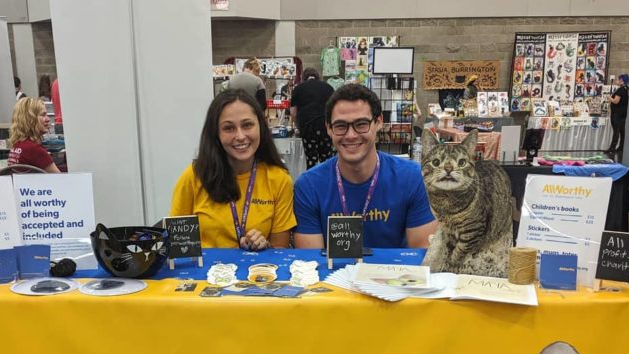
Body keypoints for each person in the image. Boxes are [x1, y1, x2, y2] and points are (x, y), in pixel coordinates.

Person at [294, 84, 437, 249]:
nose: (351, 135)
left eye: (361, 124)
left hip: (395, 274)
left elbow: (421, 255)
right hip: (331, 274)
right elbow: (311, 264)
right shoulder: (308, 186)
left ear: (379, 122)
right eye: (341, 126)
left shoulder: (411, 178)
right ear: (328, 129)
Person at [170, 89, 296, 250]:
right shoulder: (193, 177)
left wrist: (265, 246)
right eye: (229, 128)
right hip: (202, 275)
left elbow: (281, 252)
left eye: (247, 125)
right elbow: (177, 247)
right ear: (216, 133)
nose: (240, 136)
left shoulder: (279, 179)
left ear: (261, 126)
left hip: (256, 273)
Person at [290, 68, 334, 169]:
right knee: (326, 159)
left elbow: (293, 112)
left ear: (304, 78)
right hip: (325, 127)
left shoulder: (298, 88)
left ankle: (312, 182)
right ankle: (328, 181)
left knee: (311, 160)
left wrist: (298, 126)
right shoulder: (328, 87)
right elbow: (334, 110)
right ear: (318, 77)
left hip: (307, 127)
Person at [7, 98, 60, 172]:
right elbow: (60, 179)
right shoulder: (35, 149)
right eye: (43, 115)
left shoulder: (17, 145)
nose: (48, 119)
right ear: (30, 119)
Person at [605, 73, 629, 156]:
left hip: (617, 114)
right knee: (622, 131)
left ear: (621, 80)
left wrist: (609, 98)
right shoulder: (627, 89)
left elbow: (616, 101)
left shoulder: (620, 90)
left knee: (616, 131)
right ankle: (621, 147)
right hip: (623, 114)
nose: (616, 81)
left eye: (618, 79)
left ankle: (612, 148)